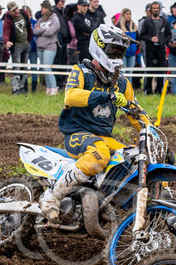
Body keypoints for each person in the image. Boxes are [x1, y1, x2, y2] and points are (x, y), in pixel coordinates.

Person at [40, 24, 151, 222]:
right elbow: (70, 96)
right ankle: (52, 196)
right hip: (77, 133)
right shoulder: (82, 71)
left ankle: (107, 201)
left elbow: (134, 111)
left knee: (135, 158)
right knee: (100, 155)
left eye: (120, 52)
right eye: (112, 51)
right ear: (99, 48)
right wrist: (104, 95)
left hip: (104, 137)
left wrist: (153, 136)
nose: (116, 56)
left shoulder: (122, 82)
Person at [139, 1, 171, 94]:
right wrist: (150, 38)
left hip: (161, 49)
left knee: (160, 70)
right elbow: (142, 35)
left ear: (159, 9)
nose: (156, 10)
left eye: (157, 8)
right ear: (151, 10)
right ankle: (148, 90)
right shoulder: (146, 22)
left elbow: (169, 35)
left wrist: (162, 41)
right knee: (149, 70)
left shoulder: (164, 21)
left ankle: (159, 90)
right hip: (150, 49)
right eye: (154, 8)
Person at [4, 2, 33, 94]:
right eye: (13, 10)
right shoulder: (8, 19)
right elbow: (6, 31)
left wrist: (29, 40)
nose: (16, 11)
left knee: (24, 67)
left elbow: (29, 27)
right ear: (9, 12)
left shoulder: (24, 14)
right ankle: (15, 90)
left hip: (26, 44)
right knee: (16, 67)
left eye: (16, 9)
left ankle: (23, 88)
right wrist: (7, 41)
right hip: (16, 46)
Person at [34, 0, 60, 95]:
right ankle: (49, 88)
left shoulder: (55, 19)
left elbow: (51, 32)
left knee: (47, 67)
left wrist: (40, 31)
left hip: (50, 46)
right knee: (44, 68)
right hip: (40, 46)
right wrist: (44, 29)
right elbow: (35, 31)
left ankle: (54, 87)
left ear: (48, 8)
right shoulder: (40, 20)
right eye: (41, 8)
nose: (41, 10)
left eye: (43, 8)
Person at [52, 0, 70, 90]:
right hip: (57, 41)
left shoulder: (64, 12)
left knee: (63, 61)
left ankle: (62, 82)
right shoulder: (53, 11)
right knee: (57, 62)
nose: (64, 3)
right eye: (62, 1)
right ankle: (57, 83)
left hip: (65, 40)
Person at [117, 8, 138, 72]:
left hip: (132, 53)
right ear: (123, 15)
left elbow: (138, 38)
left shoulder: (134, 26)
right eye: (127, 14)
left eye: (130, 14)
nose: (129, 16)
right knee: (123, 71)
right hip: (123, 53)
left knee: (130, 72)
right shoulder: (119, 26)